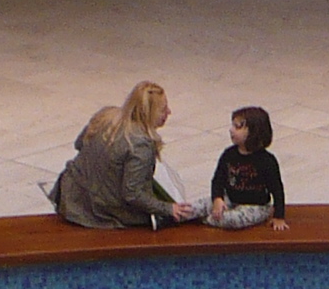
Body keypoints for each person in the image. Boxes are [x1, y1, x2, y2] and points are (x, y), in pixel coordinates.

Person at [48, 80, 202, 230]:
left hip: (71, 195)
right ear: (149, 113)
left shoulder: (107, 115)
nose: (169, 112)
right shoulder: (140, 144)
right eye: (163, 109)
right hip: (94, 212)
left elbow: (79, 144)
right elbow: (133, 194)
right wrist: (169, 208)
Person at [206, 105, 289, 233]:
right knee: (195, 207)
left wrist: (279, 216)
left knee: (232, 219)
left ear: (254, 132)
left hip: (256, 207)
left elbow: (277, 190)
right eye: (232, 126)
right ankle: (179, 217)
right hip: (231, 200)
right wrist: (217, 199)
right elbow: (217, 180)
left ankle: (205, 219)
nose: (231, 130)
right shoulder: (228, 154)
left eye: (237, 127)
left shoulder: (267, 160)